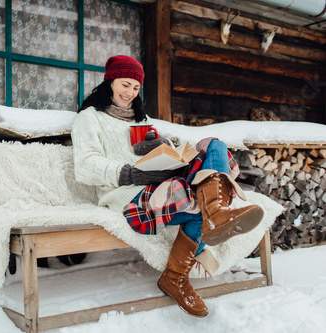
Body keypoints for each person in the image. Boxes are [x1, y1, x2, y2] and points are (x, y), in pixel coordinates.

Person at [71, 55, 264, 318]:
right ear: (110, 81)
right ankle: (178, 272)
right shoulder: (90, 117)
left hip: (160, 184)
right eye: (125, 85)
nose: (130, 93)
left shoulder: (141, 119)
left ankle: (215, 211)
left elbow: (159, 157)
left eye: (136, 88)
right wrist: (130, 173)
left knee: (213, 144)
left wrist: (164, 147)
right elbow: (85, 166)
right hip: (125, 194)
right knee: (195, 203)